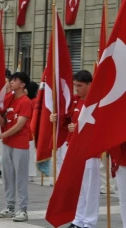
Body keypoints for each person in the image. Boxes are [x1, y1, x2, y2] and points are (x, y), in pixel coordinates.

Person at [51, 70, 100, 228]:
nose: (76, 89)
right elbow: (66, 121)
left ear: (90, 85)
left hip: (90, 150)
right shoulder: (75, 101)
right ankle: (78, 220)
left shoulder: (97, 103)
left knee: (90, 188)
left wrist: (78, 127)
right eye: (75, 85)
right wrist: (55, 118)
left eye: (80, 86)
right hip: (73, 148)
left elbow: (99, 127)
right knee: (77, 186)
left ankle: (90, 222)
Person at [0, 72, 32, 222]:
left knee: (20, 177)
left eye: (14, 80)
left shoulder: (25, 102)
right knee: (7, 175)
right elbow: (4, 123)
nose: (11, 82)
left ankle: (23, 210)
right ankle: (9, 207)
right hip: (8, 143)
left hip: (20, 144)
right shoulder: (10, 100)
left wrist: (1, 136)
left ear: (22, 85)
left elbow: (20, 125)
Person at [25, 81, 38, 182]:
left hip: (30, 129)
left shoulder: (34, 101)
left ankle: (31, 174)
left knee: (30, 153)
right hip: (26, 129)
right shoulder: (27, 100)